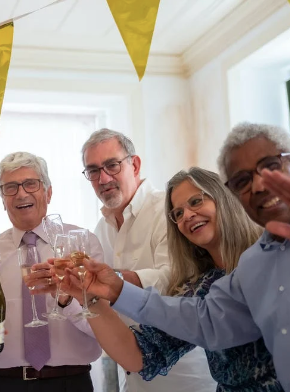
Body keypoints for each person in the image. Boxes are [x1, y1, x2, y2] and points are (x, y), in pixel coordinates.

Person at [71, 123, 290, 391]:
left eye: (270, 167)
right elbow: (201, 321)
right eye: (243, 181)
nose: (258, 186)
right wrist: (113, 291)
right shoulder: (249, 267)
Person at [59, 167, 284, 391]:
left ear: (223, 199)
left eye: (196, 202)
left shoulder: (273, 254)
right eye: (178, 213)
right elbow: (139, 355)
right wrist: (91, 297)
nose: (187, 215)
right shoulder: (201, 287)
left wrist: (119, 288)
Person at [81, 128, 214, 392]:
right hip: (132, 378)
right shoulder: (100, 229)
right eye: (93, 171)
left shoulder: (170, 210)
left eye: (112, 165)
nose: (103, 178)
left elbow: (175, 280)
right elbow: (100, 302)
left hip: (186, 377)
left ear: (135, 164)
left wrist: (115, 280)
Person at [0, 152, 105, 392]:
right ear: (2, 199)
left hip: (72, 383)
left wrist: (66, 300)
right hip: (3, 384)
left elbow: (102, 325)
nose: (21, 193)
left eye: (30, 184)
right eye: (10, 187)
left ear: (48, 193)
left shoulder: (81, 244)